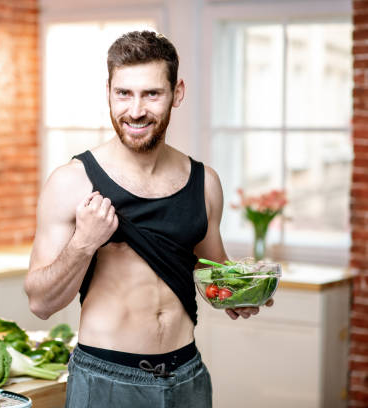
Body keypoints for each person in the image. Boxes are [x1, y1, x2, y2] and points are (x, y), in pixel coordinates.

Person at [24, 30, 273, 408]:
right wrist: (85, 242)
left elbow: (212, 275)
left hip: (187, 375)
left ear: (178, 93)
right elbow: (41, 302)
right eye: (124, 93)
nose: (135, 110)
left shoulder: (205, 183)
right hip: (106, 378)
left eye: (151, 94)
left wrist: (241, 292)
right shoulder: (72, 181)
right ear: (108, 91)